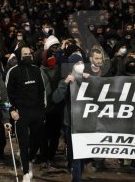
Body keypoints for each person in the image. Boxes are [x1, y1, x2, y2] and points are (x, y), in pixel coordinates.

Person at [6, 46, 47, 182]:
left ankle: (29, 159)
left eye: (30, 53)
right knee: (23, 144)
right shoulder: (13, 71)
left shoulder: (36, 70)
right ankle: (25, 172)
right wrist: (11, 109)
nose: (28, 56)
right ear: (19, 56)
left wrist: (43, 108)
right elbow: (7, 95)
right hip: (21, 112)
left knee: (37, 141)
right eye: (25, 54)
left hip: (37, 111)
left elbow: (42, 90)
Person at [52, 52, 89, 182]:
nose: (80, 65)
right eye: (77, 63)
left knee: (83, 154)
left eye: (81, 63)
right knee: (75, 154)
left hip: (85, 122)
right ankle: (76, 178)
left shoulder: (87, 78)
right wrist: (66, 82)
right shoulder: (65, 80)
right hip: (71, 123)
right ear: (72, 66)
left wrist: (91, 80)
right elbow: (56, 98)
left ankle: (78, 173)